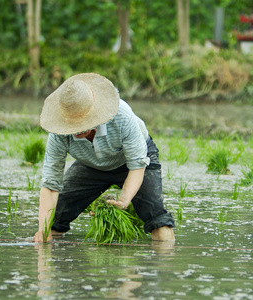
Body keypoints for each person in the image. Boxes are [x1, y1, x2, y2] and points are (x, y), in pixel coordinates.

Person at [33, 73, 175, 242]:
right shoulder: (59, 132)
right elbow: (50, 185)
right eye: (72, 125)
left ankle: (164, 257)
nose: (76, 130)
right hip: (91, 165)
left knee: (157, 220)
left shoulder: (122, 116)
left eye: (82, 124)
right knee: (54, 220)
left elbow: (137, 165)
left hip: (132, 161)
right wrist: (43, 231)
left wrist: (124, 199)